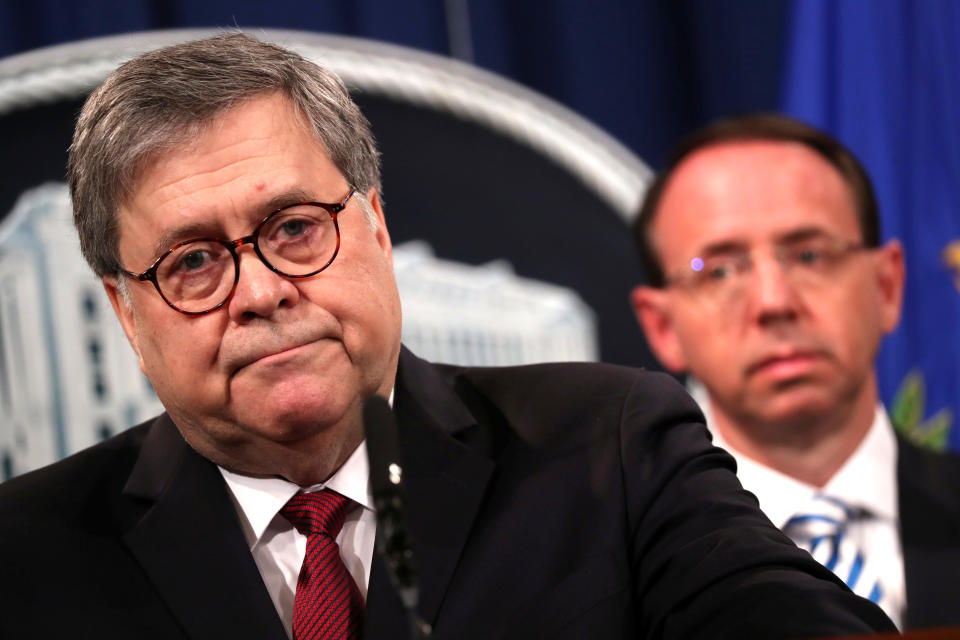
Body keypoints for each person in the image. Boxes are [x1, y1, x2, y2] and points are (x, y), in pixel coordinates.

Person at [0, 35, 894, 640]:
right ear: (126, 309)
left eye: (295, 228)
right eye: (194, 262)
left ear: (376, 228)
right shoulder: (26, 556)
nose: (263, 292)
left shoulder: (607, 447)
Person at [631, 113, 960, 631]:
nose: (773, 301)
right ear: (663, 326)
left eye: (810, 254)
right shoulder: (611, 581)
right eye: (718, 270)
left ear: (887, 288)